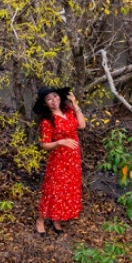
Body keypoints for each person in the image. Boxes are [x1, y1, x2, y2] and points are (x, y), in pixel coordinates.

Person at [33, 86, 86, 234]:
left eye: (55, 97)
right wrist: (59, 142)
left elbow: (82, 125)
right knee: (53, 190)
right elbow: (44, 145)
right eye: (49, 99)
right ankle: (40, 220)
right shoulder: (47, 121)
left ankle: (56, 219)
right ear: (45, 104)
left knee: (66, 190)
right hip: (59, 160)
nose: (53, 101)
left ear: (60, 97)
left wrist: (75, 105)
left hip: (73, 158)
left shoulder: (68, 111)